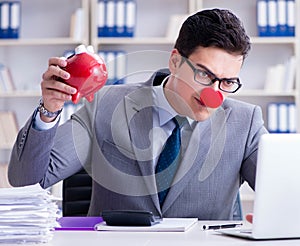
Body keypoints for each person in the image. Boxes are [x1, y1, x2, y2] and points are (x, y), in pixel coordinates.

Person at [8, 8, 267, 221]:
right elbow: (28, 182)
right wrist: (49, 109)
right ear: (175, 61)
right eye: (204, 74)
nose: (215, 94)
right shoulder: (105, 105)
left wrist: (280, 218)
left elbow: (286, 191)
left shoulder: (245, 124)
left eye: (227, 82)